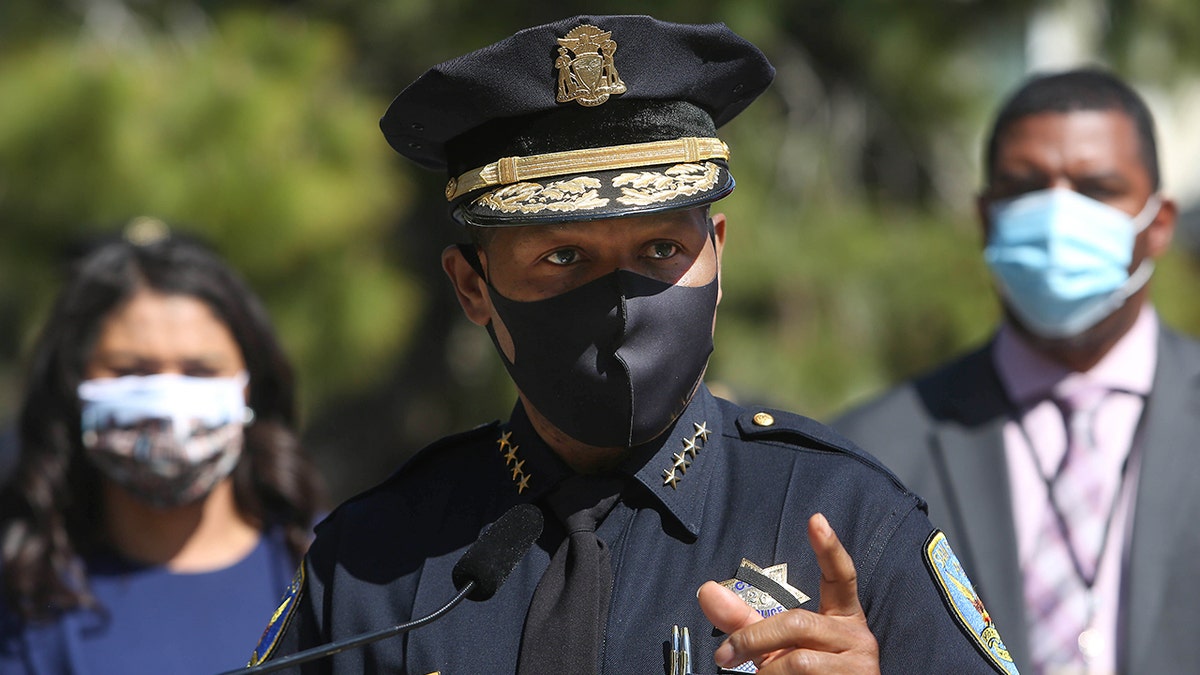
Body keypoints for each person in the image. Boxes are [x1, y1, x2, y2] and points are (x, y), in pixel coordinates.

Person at [252, 15, 1017, 674]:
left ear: (718, 252)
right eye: (563, 258)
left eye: (659, 251)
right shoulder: (377, 557)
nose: (618, 304)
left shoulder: (846, 522)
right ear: (472, 286)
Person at [832, 68, 1196, 674]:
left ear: (1158, 224)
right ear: (985, 217)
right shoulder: (871, 453)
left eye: (1096, 188)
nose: (1058, 215)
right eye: (1026, 188)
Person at [0, 223, 327, 674]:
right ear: (73, 386)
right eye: (132, 370)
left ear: (249, 388)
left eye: (199, 370)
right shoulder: (25, 595)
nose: (168, 399)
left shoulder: (338, 569)